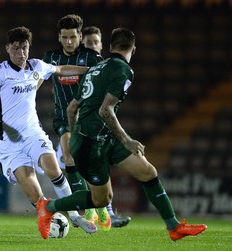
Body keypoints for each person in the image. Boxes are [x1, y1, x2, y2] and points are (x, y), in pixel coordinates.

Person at [36, 28, 207, 240]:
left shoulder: (96, 68)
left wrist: (74, 135)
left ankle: (174, 227)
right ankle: (49, 207)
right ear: (133, 50)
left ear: (109, 47)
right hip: (91, 143)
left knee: (148, 172)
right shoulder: (123, 70)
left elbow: (72, 108)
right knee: (101, 199)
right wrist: (127, 140)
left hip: (100, 137)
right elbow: (105, 110)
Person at [0, 26, 97, 235]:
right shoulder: (0, 72)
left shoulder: (37, 66)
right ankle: (46, 215)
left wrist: (89, 70)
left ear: (29, 48)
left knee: (54, 170)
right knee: (37, 198)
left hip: (33, 134)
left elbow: (60, 69)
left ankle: (76, 217)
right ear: (7, 48)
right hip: (10, 144)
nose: (21, 53)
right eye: (16, 48)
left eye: (25, 48)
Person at [42, 14, 111, 231]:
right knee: (68, 155)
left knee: (87, 161)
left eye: (73, 37)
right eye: (65, 37)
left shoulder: (92, 57)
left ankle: (98, 204)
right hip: (64, 117)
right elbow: (36, 79)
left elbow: (106, 82)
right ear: (59, 37)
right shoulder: (50, 57)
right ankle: (86, 206)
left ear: (80, 36)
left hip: (89, 118)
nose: (69, 41)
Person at [81, 25, 132, 228]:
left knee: (96, 167)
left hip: (97, 126)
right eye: (88, 43)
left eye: (95, 42)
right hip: (78, 124)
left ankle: (101, 212)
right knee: (76, 165)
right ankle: (94, 211)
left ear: (103, 45)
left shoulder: (105, 65)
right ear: (82, 45)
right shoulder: (79, 64)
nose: (92, 45)